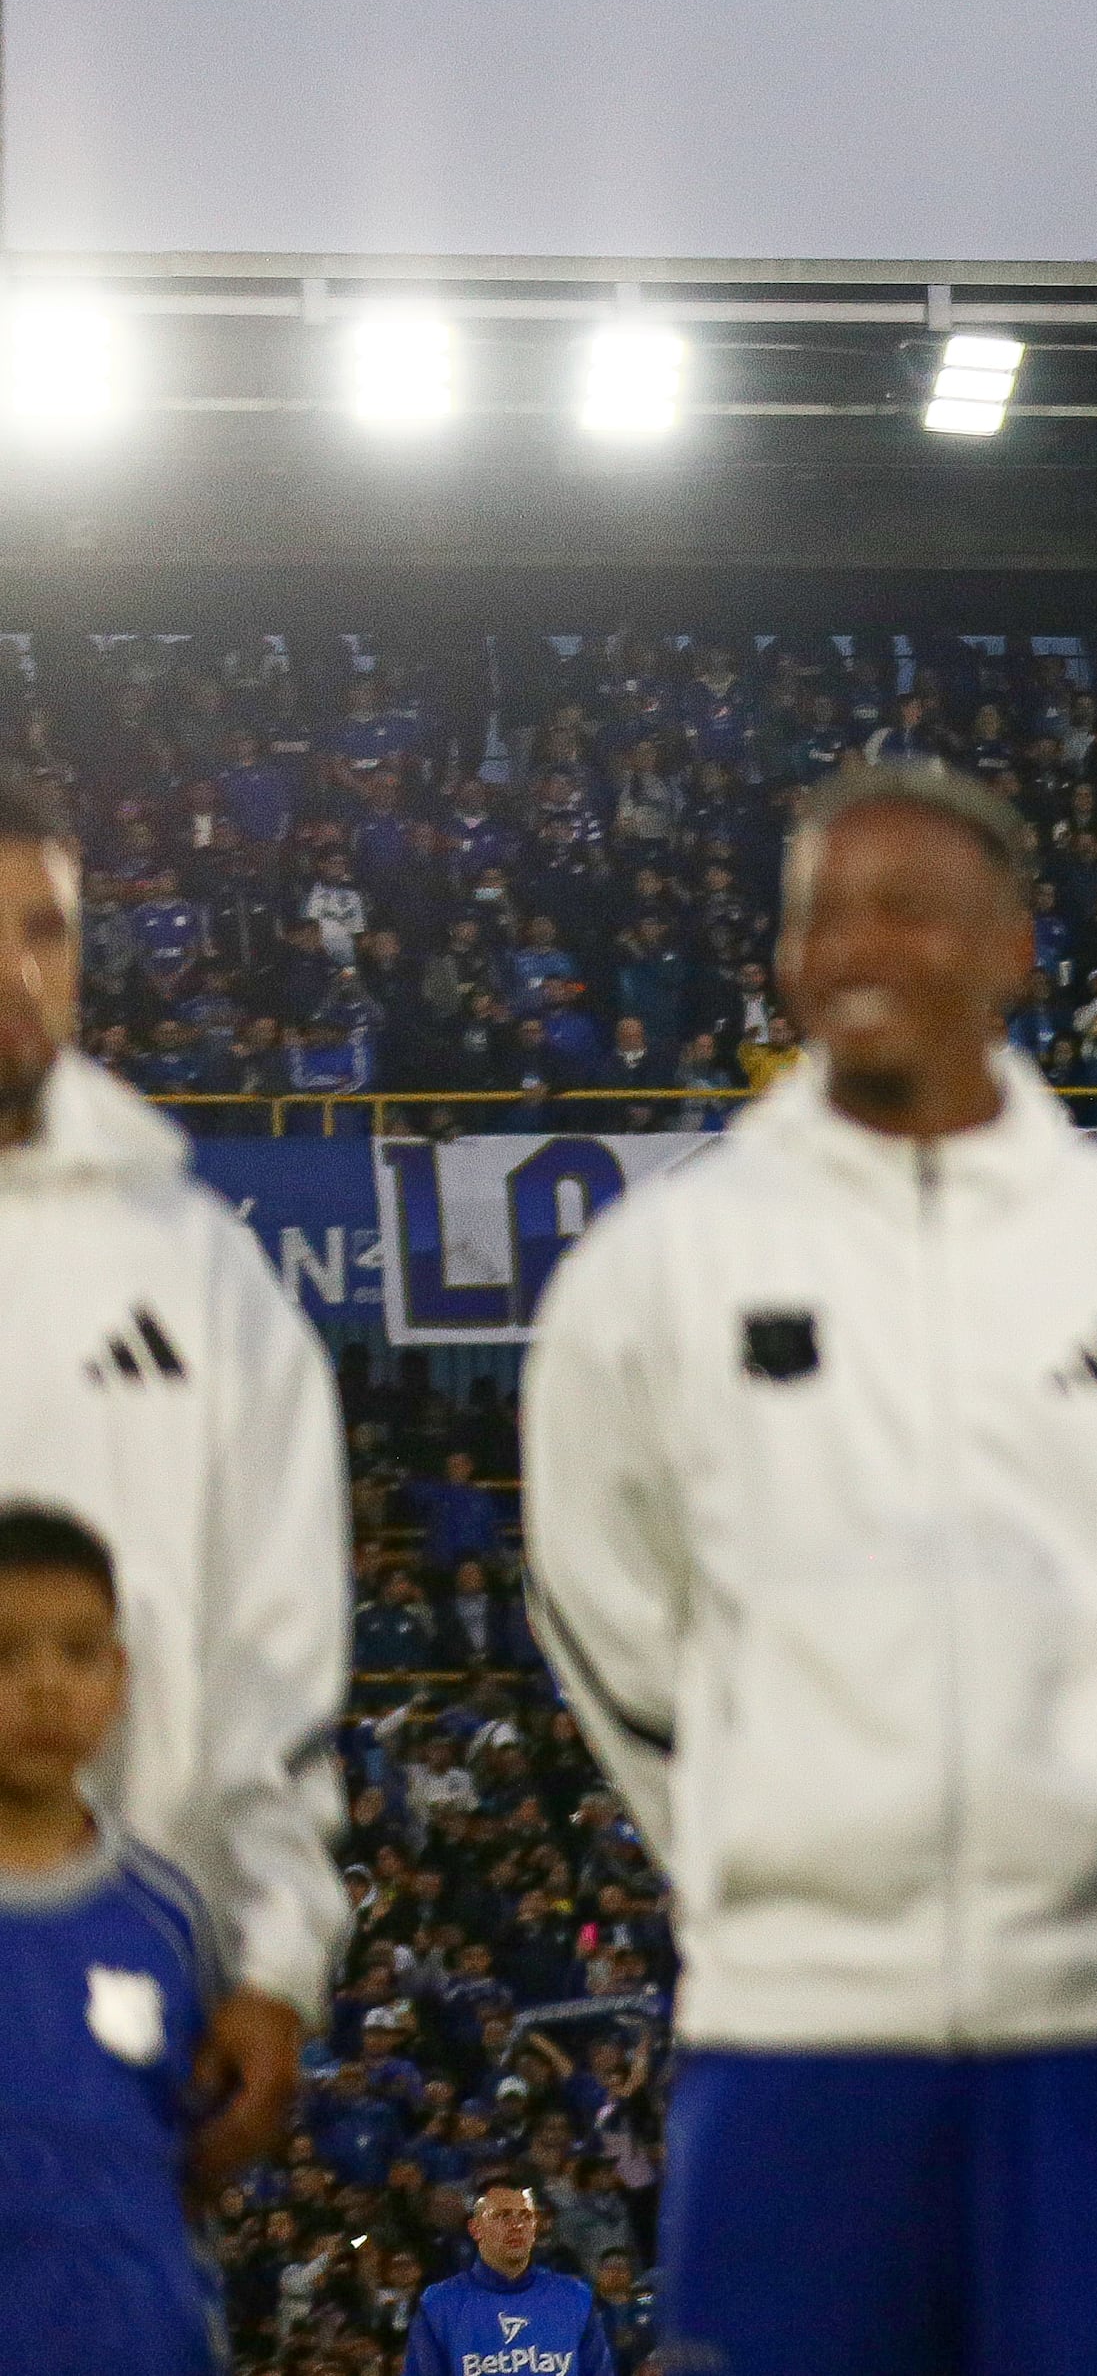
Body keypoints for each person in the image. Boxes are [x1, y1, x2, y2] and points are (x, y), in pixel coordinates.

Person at [521, 761, 1097, 2376]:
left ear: (1013, 943)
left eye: (908, 904)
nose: (856, 941)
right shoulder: (654, 1267)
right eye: (821, 911)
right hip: (793, 2020)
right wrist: (763, 1839)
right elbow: (603, 1617)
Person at [0, 766, 348, 2192]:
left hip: (124, 1967)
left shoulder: (196, 1266)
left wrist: (277, 1960)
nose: (15, 973)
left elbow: (280, 1653)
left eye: (43, 931)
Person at [0, 1502, 234, 2376]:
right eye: (5, 1653)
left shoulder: (170, 1913)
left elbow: (198, 2153)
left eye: (79, 1651)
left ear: (121, 1673)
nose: (45, 1685)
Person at [407, 2180, 618, 2376]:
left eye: (526, 2216)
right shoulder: (440, 2303)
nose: (516, 2226)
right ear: (475, 2228)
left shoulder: (574, 2297)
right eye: (503, 2216)